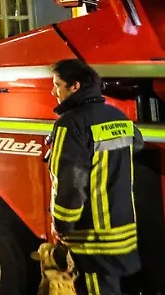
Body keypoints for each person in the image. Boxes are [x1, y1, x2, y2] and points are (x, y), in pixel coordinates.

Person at [46, 59, 143, 295]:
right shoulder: (119, 117)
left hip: (92, 238)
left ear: (75, 86)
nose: (53, 92)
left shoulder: (70, 124)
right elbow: (137, 144)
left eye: (57, 85)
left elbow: (70, 183)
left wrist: (62, 225)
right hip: (122, 232)